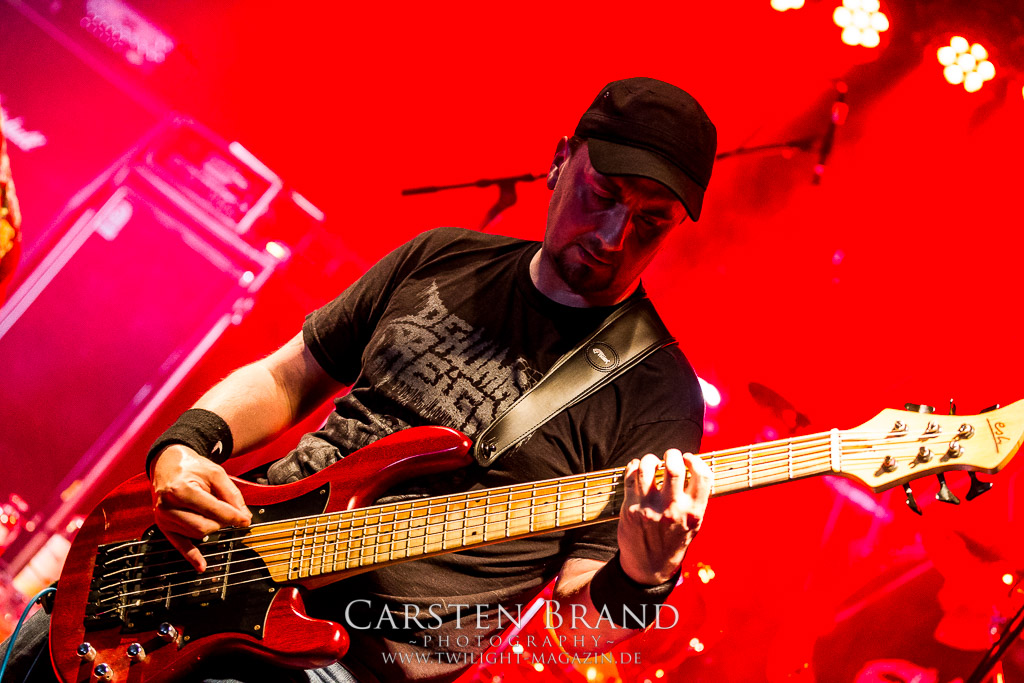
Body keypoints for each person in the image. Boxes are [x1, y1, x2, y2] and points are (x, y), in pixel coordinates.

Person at [0, 76, 717, 683]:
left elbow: (577, 629)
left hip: (345, 664)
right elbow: (290, 375)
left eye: (650, 222)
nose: (614, 236)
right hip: (217, 563)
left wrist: (644, 577)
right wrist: (184, 449)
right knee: (37, 644)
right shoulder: (443, 256)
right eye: (602, 193)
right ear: (560, 161)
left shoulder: (656, 395)